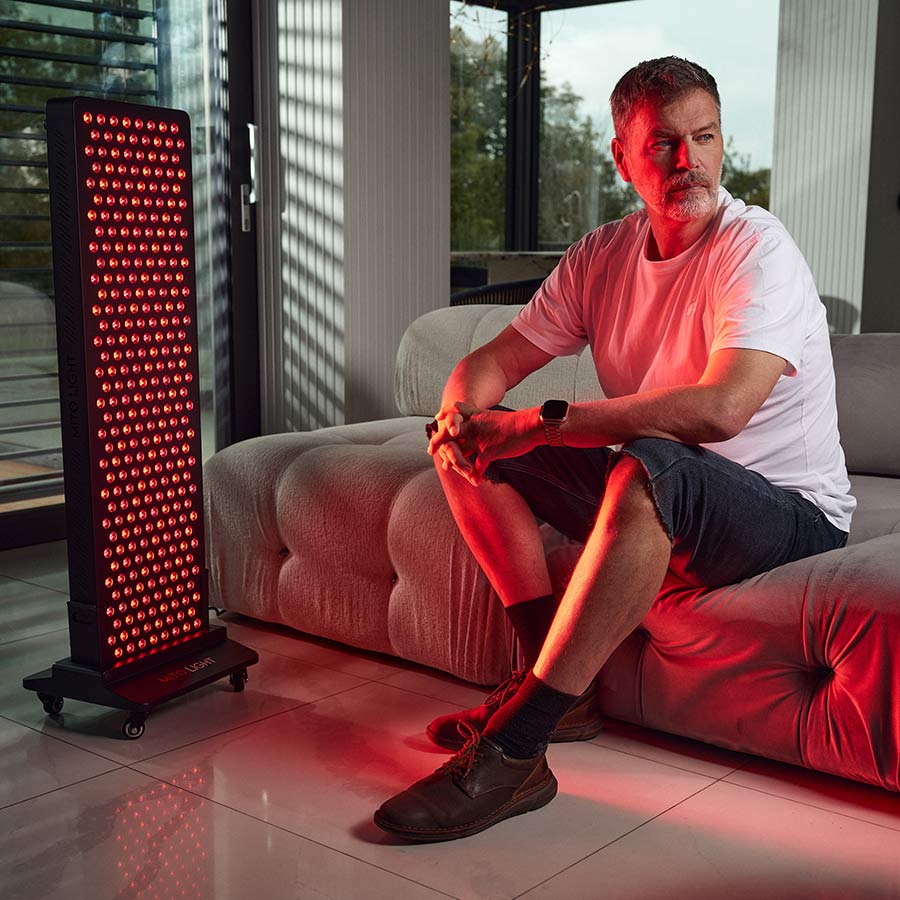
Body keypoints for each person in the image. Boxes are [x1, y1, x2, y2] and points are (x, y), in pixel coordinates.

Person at [373, 56, 855, 842]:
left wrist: (538, 425)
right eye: (663, 143)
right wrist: (462, 416)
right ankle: (554, 687)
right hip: (670, 489)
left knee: (648, 466)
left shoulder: (756, 248)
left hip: (788, 514)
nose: (689, 160)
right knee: (466, 446)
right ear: (622, 157)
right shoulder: (603, 254)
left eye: (705, 137)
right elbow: (492, 362)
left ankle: (516, 749)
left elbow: (722, 411)